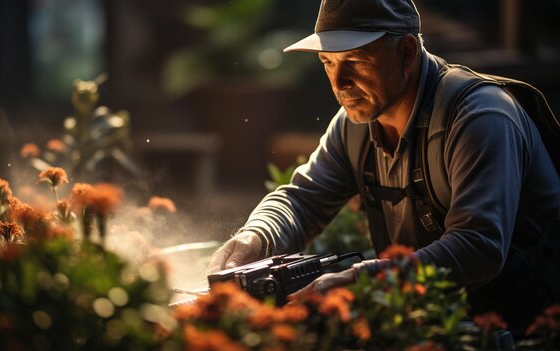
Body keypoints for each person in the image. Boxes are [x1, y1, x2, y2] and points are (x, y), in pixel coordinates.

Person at [207, 0, 560, 334]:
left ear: (406, 52)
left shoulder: (481, 118)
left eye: (355, 61)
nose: (339, 83)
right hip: (438, 323)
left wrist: (361, 280)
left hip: (526, 330)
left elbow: (478, 246)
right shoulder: (353, 126)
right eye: (327, 62)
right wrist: (256, 238)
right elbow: (302, 200)